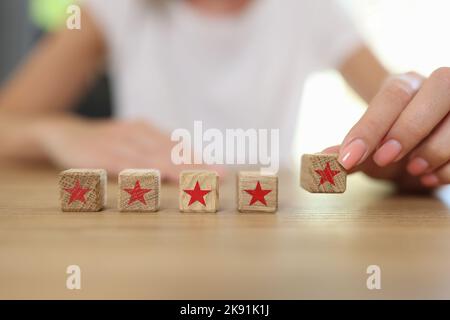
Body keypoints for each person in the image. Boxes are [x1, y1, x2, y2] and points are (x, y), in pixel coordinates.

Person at [0, 0, 449, 189]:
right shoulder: (113, 8)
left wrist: (415, 136)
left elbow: (402, 120)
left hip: (266, 248)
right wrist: (54, 133)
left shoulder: (309, 8)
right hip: (143, 242)